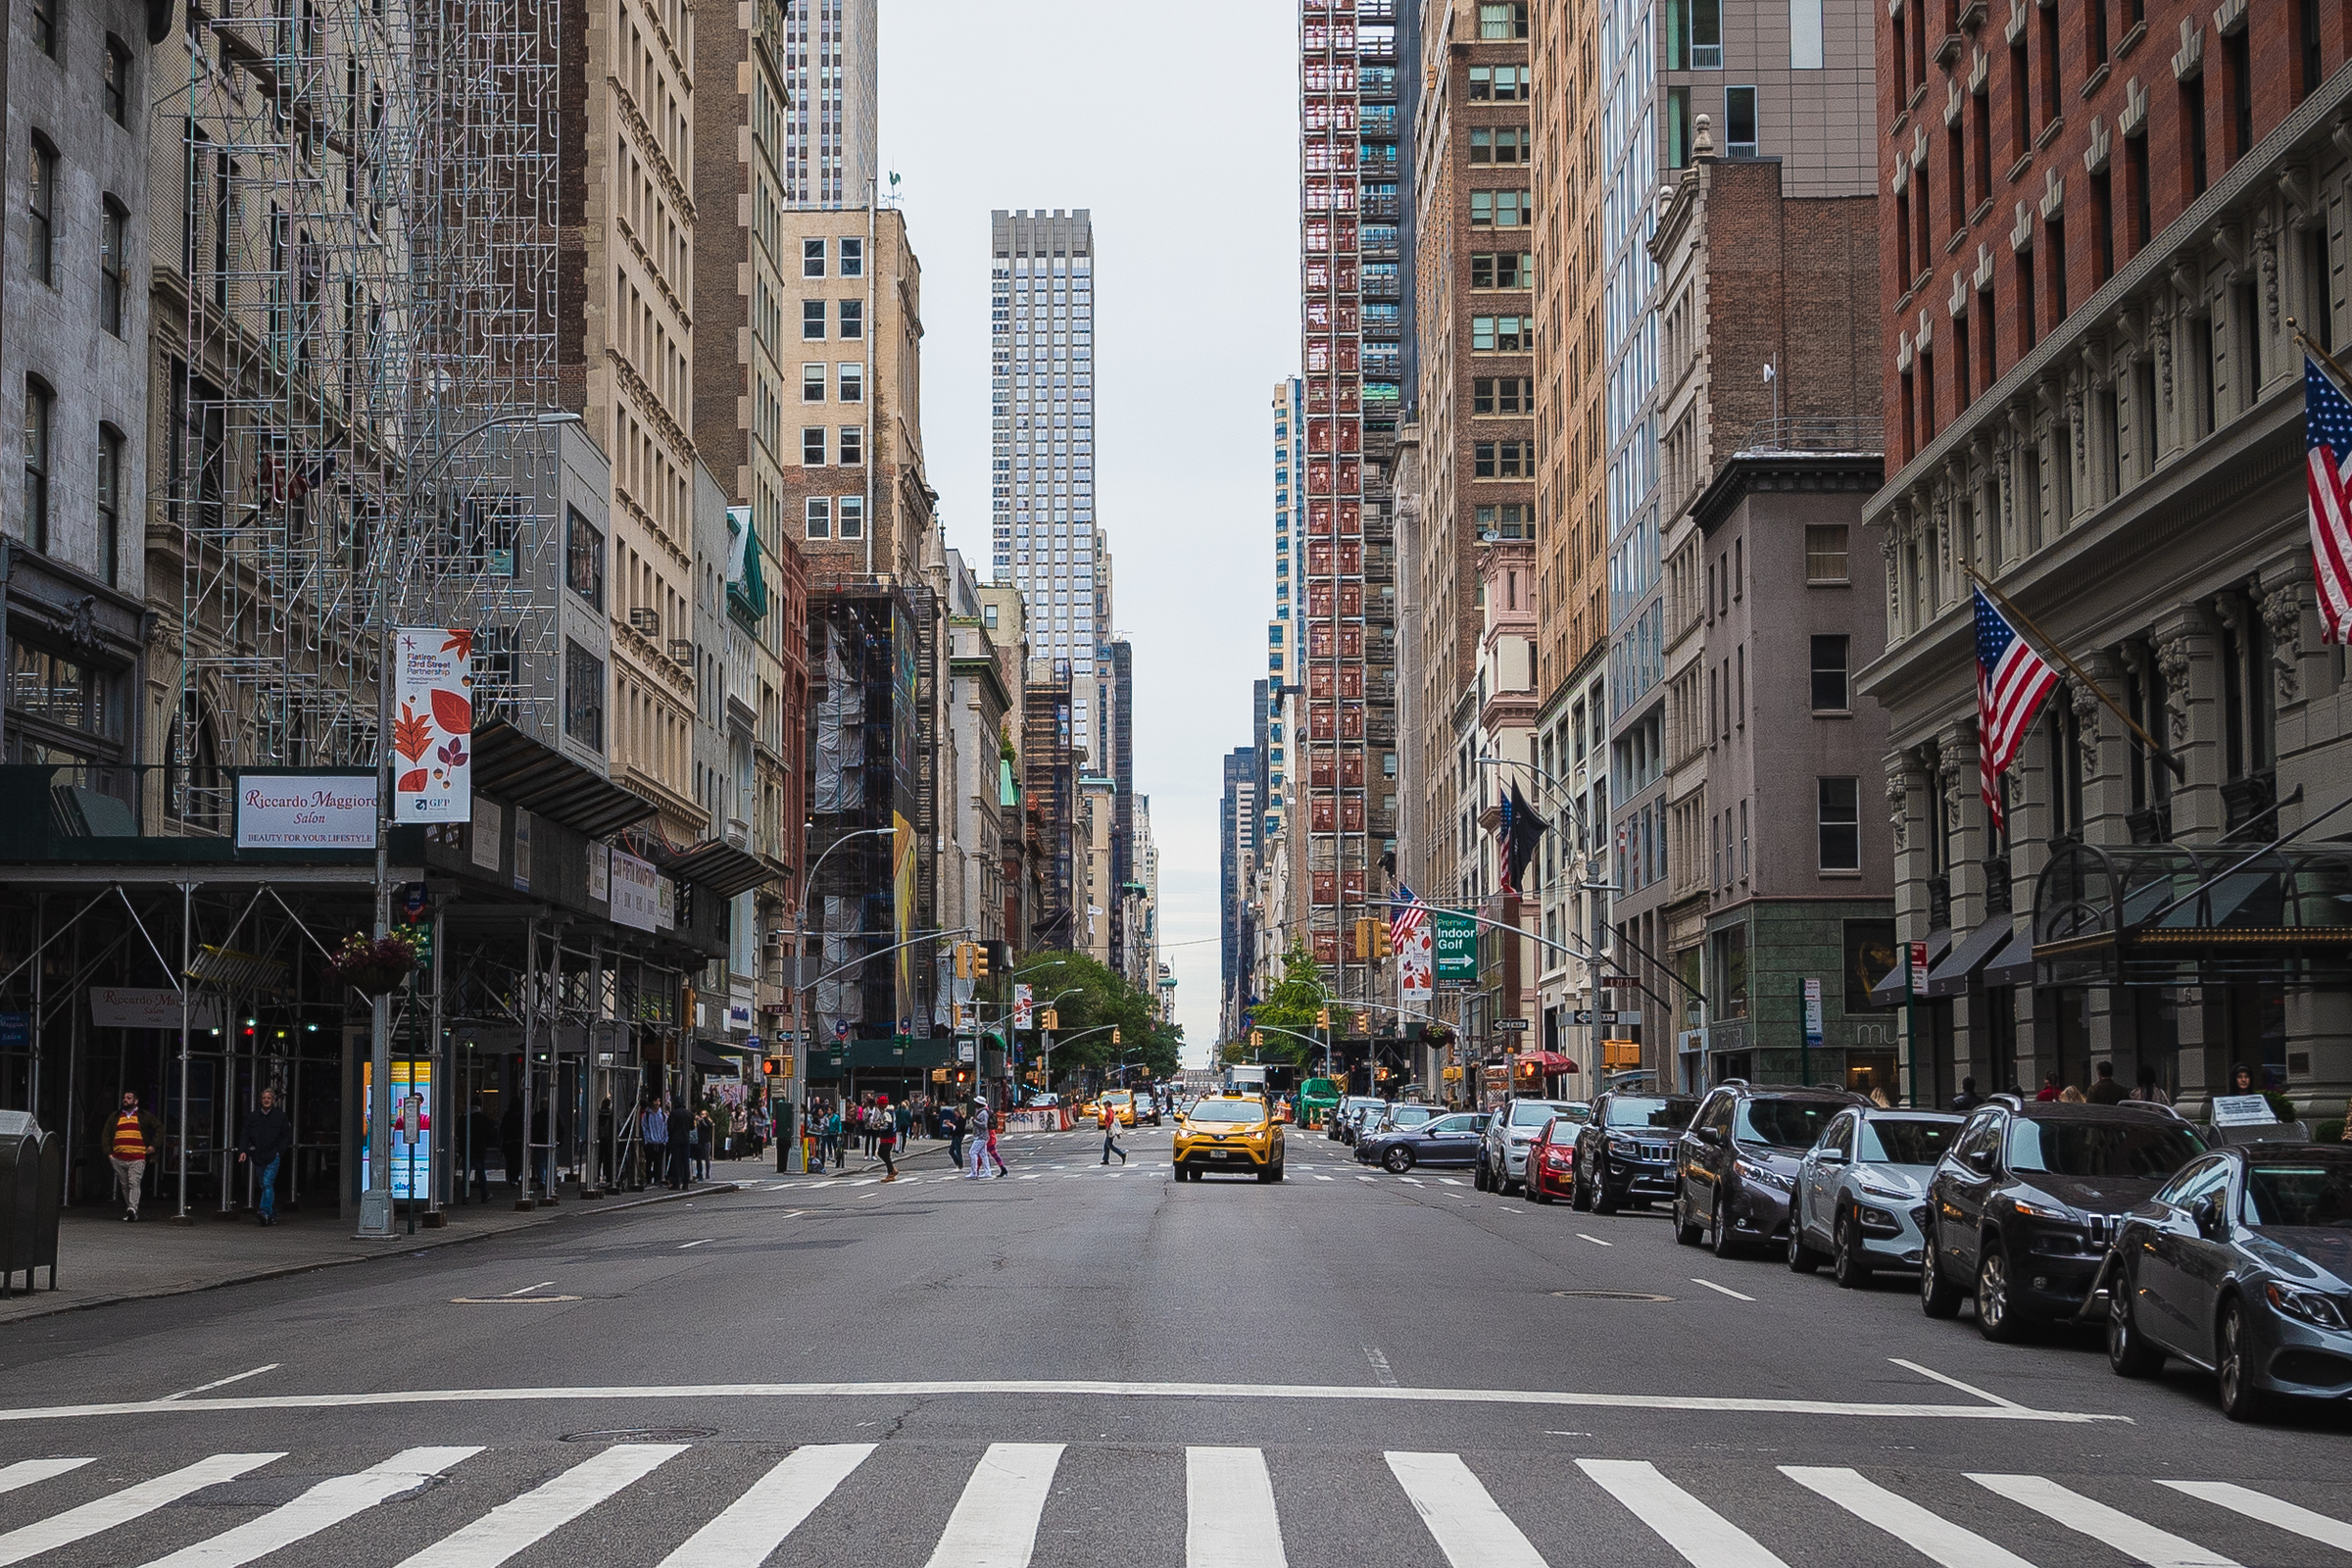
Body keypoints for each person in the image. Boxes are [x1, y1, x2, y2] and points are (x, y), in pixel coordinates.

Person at [236, 1086, 294, 1226]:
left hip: (273, 1155)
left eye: (269, 1098)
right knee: (263, 1184)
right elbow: (245, 1134)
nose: (266, 1100)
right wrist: (242, 1151)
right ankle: (272, 1214)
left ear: (273, 1100)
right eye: (264, 1098)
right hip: (258, 1155)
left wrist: (280, 1152)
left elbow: (287, 1135)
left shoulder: (280, 1117)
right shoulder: (253, 1117)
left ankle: (264, 1212)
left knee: (268, 1183)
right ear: (260, 1100)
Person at [104, 1091, 160, 1222]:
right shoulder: (115, 1116)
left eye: (129, 1098)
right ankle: (132, 1210)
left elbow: (159, 1128)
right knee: (124, 1184)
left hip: (138, 1157)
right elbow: (106, 1134)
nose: (125, 1100)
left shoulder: (144, 1116)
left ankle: (132, 1208)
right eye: (124, 1097)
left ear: (136, 1101)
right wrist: (109, 1154)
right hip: (118, 1157)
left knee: (133, 1182)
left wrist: (154, 1145)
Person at [467, 1098, 498, 1202]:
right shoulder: (484, 1118)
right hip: (479, 1147)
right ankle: (484, 1195)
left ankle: (464, 1196)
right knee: (481, 1172)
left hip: (467, 1147)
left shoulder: (466, 1117)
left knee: (466, 1172)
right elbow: (490, 1133)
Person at [641, 1096, 669, 1189]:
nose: (657, 1103)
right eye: (655, 1101)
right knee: (649, 1162)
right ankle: (648, 1180)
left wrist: (665, 1140)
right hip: (650, 1142)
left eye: (659, 1101)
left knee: (658, 1162)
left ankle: (657, 1180)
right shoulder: (647, 1115)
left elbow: (666, 1128)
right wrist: (646, 1140)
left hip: (660, 1142)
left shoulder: (663, 1116)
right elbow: (644, 1127)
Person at [500, 1098, 524, 1194]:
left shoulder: (507, 1115)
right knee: (517, 1162)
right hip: (519, 1142)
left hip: (508, 1142)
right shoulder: (522, 1116)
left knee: (510, 1162)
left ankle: (511, 1178)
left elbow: (503, 1129)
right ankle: (515, 1178)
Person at [874, 1097, 899, 1181]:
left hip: (887, 1137)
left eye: (879, 1105)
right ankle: (890, 1173)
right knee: (886, 1154)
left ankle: (891, 1170)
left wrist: (879, 1127)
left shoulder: (887, 1113)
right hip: (890, 1136)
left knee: (882, 1153)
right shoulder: (891, 1112)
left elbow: (887, 1125)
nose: (878, 1106)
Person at [1099, 1098, 1128, 1166]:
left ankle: (1122, 1154)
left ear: (1107, 1105)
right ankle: (1105, 1159)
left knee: (1109, 1145)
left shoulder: (1109, 1110)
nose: (1104, 1107)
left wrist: (1108, 1126)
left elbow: (1111, 1119)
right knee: (1106, 1145)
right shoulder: (1109, 1110)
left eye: (1105, 1105)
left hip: (1110, 1129)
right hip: (1109, 1129)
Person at [942, 1102, 966, 1172]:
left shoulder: (962, 1119)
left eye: (956, 1112)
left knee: (958, 1150)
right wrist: (949, 1125)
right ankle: (958, 1164)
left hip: (958, 1136)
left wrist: (952, 1125)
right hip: (954, 1135)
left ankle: (960, 1165)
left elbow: (959, 1128)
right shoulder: (956, 1119)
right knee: (951, 1151)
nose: (955, 1114)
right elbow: (954, 1127)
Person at [693, 1109, 714, 1180]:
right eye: (701, 1114)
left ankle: (707, 1173)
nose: (702, 1115)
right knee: (698, 1158)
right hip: (699, 1141)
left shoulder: (707, 1121)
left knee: (707, 1158)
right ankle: (699, 1173)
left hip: (706, 1141)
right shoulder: (698, 1122)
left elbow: (708, 1127)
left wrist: (702, 1121)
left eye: (704, 1114)